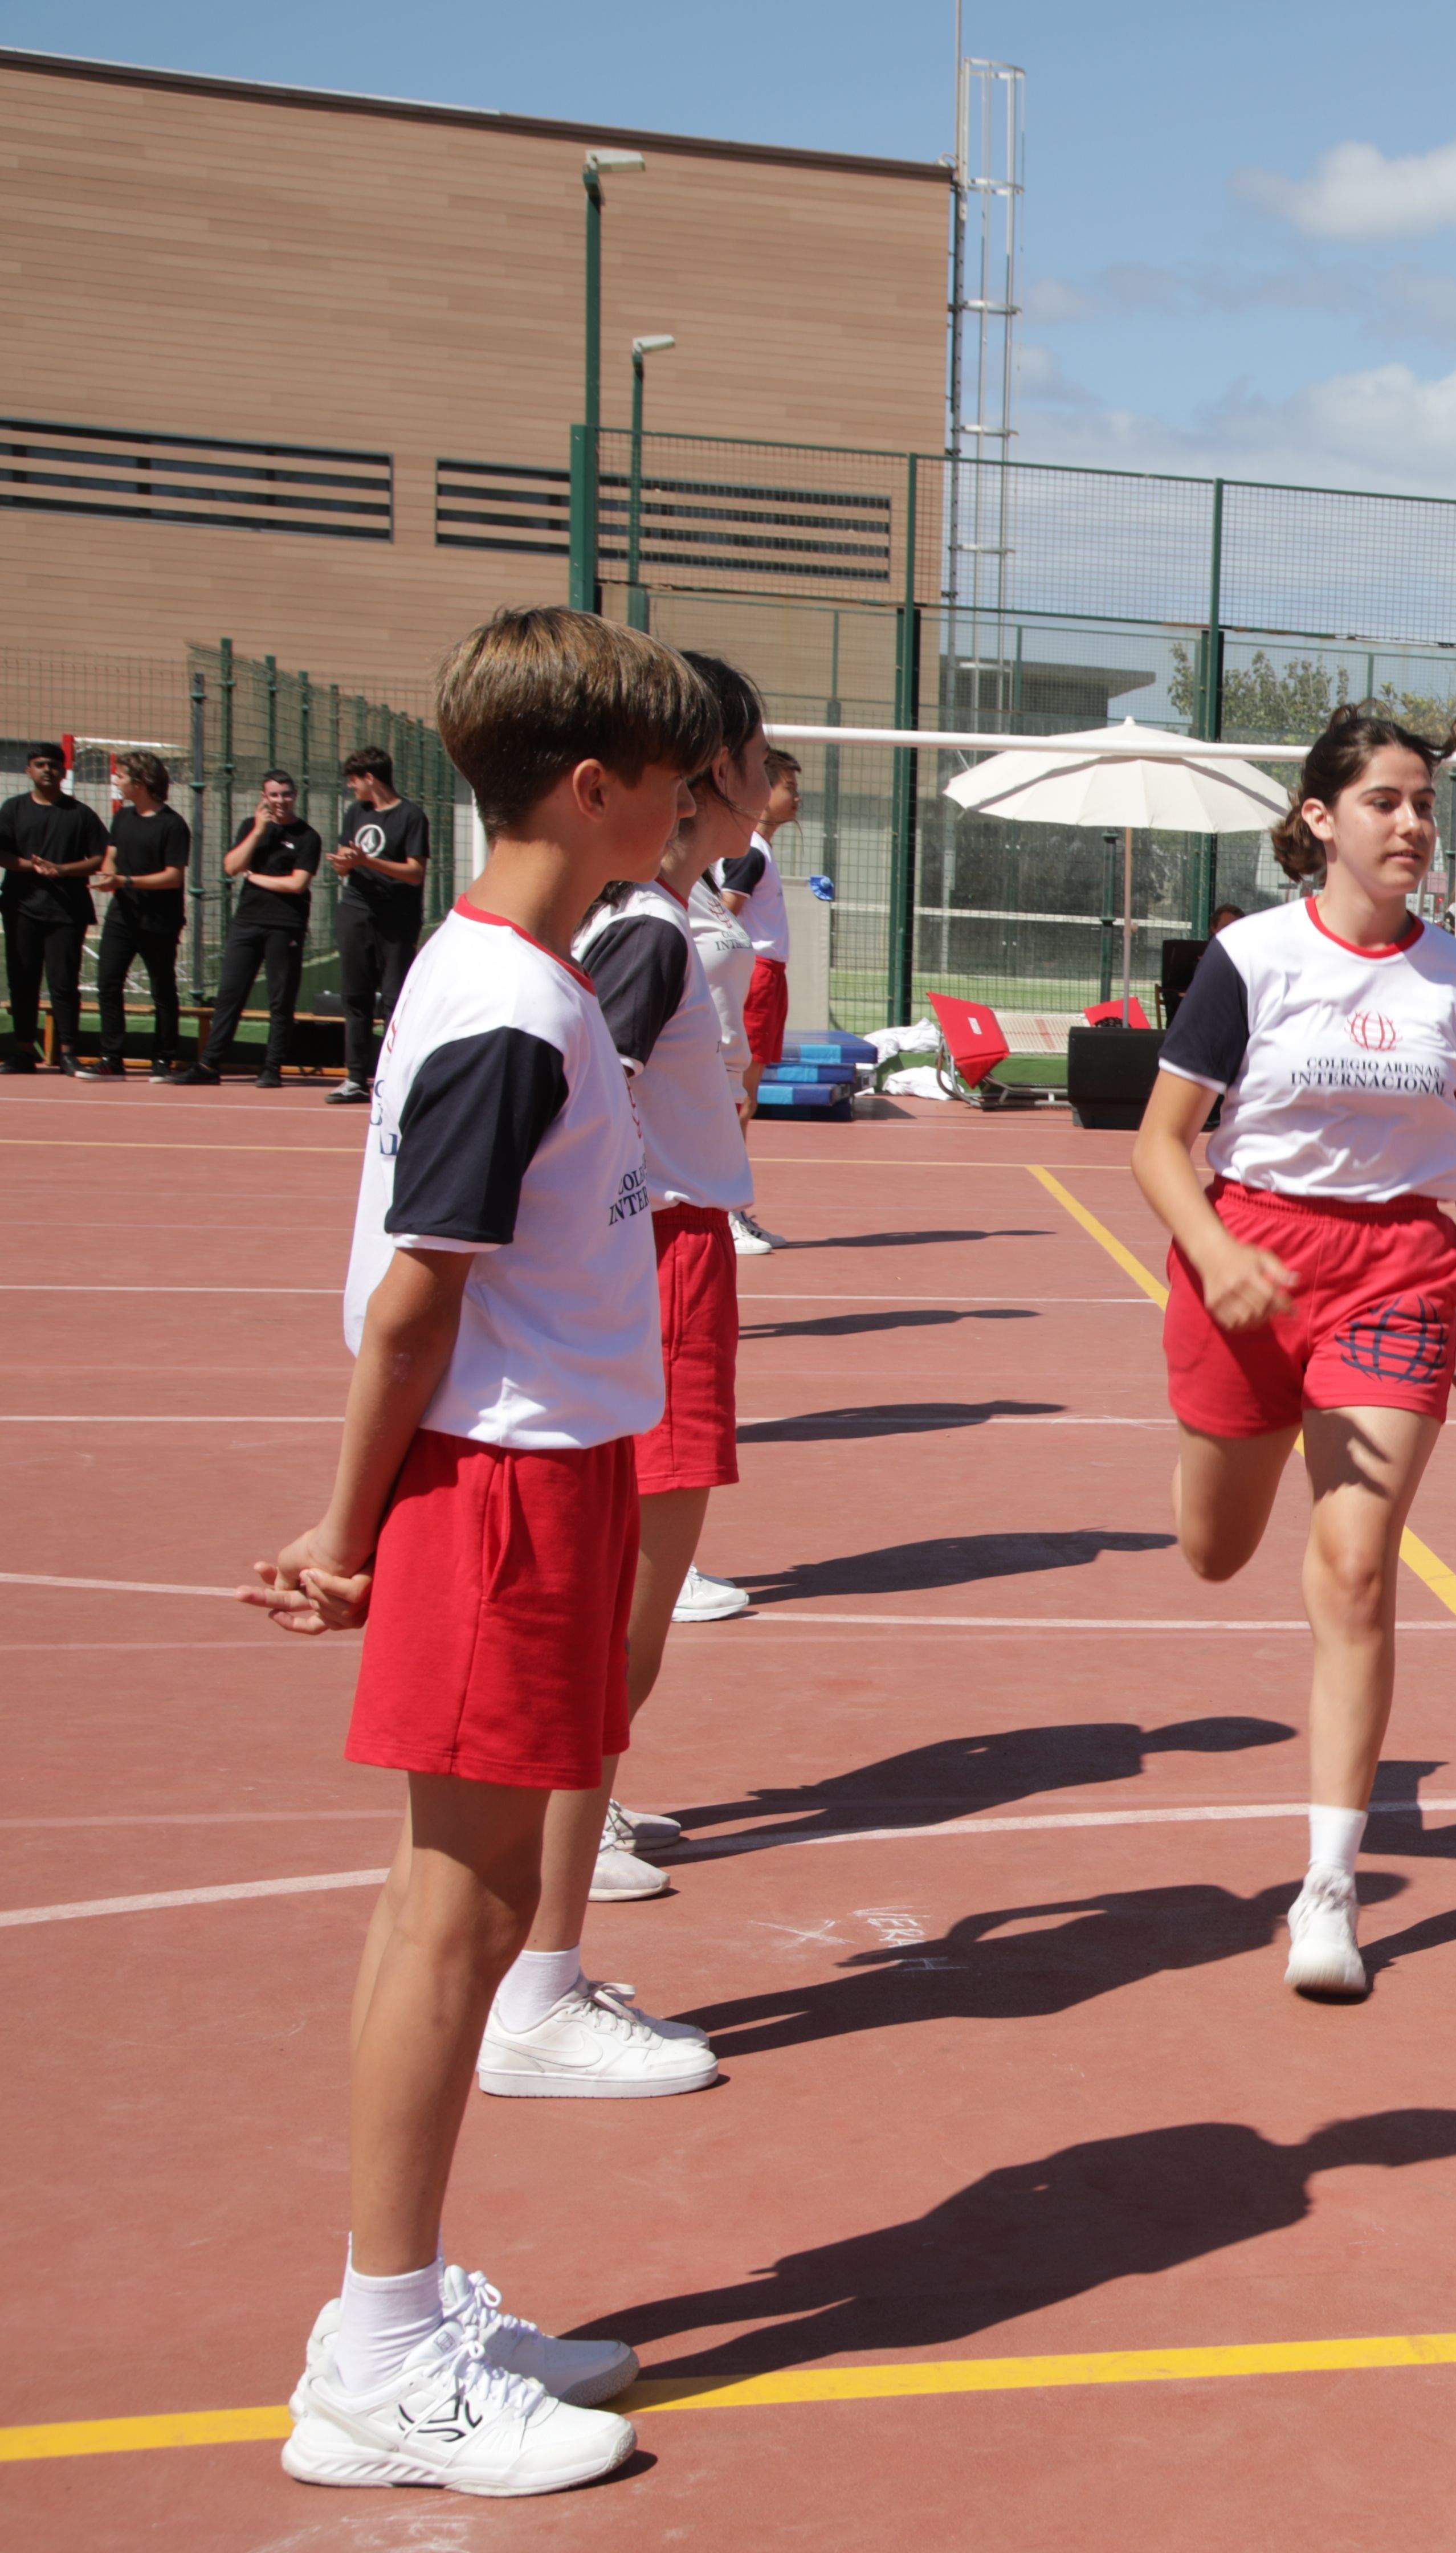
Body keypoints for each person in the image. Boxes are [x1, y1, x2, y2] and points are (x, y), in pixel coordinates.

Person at [245, 604, 722, 2497]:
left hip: (546, 1467)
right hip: (499, 1487)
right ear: (590, 789)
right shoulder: (517, 1013)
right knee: (452, 1911)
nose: (699, 802)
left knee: (479, 1895)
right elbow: (412, 1305)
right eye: (677, 776)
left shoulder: (523, 972)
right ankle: (380, 2354)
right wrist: (350, 1527)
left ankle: (404, 2315)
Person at [1131, 702, 1456, 2004]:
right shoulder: (1251, 960)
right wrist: (1219, 1253)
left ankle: (1328, 1890)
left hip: (1398, 1278)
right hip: (1246, 1265)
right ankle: (1219, 1471)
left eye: (1422, 801)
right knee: (1216, 1551)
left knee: (1355, 1570)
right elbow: (1159, 1142)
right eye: (1385, 802)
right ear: (1320, 821)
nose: (1412, 823)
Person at [481, 650, 777, 2102]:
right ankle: (548, 1952)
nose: (769, 783)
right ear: (698, 781)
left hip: (674, 1254)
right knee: (624, 1615)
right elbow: (559, 1100)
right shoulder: (647, 935)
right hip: (651, 1260)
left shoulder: (676, 919)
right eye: (750, 761)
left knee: (638, 1614)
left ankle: (560, 1904)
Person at [178, 769, 327, 1084]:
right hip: (246, 923)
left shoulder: (307, 836)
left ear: (295, 796)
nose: (281, 800)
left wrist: (256, 877)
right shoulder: (251, 827)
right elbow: (232, 866)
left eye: (286, 794)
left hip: (285, 926)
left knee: (280, 999)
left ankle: (271, 1068)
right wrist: (258, 832)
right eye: (274, 795)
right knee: (230, 994)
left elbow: (298, 884)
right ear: (264, 798)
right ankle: (208, 1065)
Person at [711, 748, 801, 1254]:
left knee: (748, 1098)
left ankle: (733, 1209)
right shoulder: (748, 851)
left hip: (769, 977)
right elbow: (725, 911)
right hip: (756, 978)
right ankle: (725, 1213)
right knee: (739, 1100)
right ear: (764, 793)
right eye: (788, 786)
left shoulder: (759, 850)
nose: (797, 796)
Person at [325, 747, 431, 1104]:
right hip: (355, 912)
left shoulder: (411, 816)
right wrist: (345, 864)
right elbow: (346, 864)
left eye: (354, 781)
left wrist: (368, 861)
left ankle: (392, 1077)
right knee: (355, 996)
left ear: (370, 778)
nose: (351, 788)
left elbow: (415, 873)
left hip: (396, 920)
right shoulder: (356, 812)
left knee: (394, 998)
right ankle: (355, 1078)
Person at [87, 751, 190, 1078]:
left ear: (141, 782)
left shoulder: (173, 825)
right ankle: (112, 1057)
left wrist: (126, 881)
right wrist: (108, 876)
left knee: (162, 988)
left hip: (160, 920)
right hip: (122, 917)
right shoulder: (123, 818)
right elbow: (111, 855)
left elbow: (174, 876)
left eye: (121, 775)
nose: (115, 780)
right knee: (108, 983)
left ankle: (163, 1057)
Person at [3, 738, 105, 1072]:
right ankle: (23, 1051)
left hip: (66, 911)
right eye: (41, 764)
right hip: (21, 908)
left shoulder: (81, 814)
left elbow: (99, 858)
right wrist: (30, 867)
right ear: (29, 770)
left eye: (54, 765)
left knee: (63, 983)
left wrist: (62, 870)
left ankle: (67, 1052)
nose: (48, 770)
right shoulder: (13, 810)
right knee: (23, 979)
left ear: (63, 771)